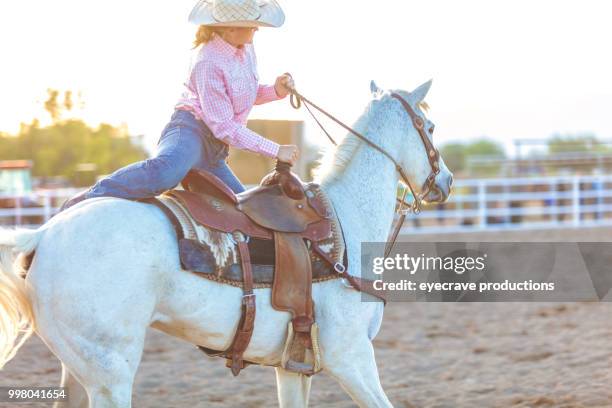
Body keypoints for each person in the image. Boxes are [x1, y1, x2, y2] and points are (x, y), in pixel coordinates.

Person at [60, 0, 297, 211]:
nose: (256, 28)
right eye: (251, 24)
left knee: (243, 208)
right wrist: (275, 150)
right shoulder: (208, 61)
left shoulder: (246, 49)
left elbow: (241, 95)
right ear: (230, 28)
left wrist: (276, 91)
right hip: (190, 132)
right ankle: (84, 201)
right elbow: (224, 126)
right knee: (164, 173)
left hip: (214, 149)